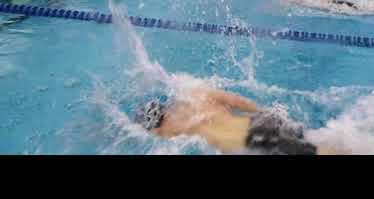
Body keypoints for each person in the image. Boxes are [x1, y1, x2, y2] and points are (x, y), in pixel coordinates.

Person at [134, 85, 348, 155]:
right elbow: (238, 101)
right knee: (320, 146)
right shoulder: (197, 94)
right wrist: (263, 112)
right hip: (262, 120)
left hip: (253, 139)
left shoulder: (169, 130)